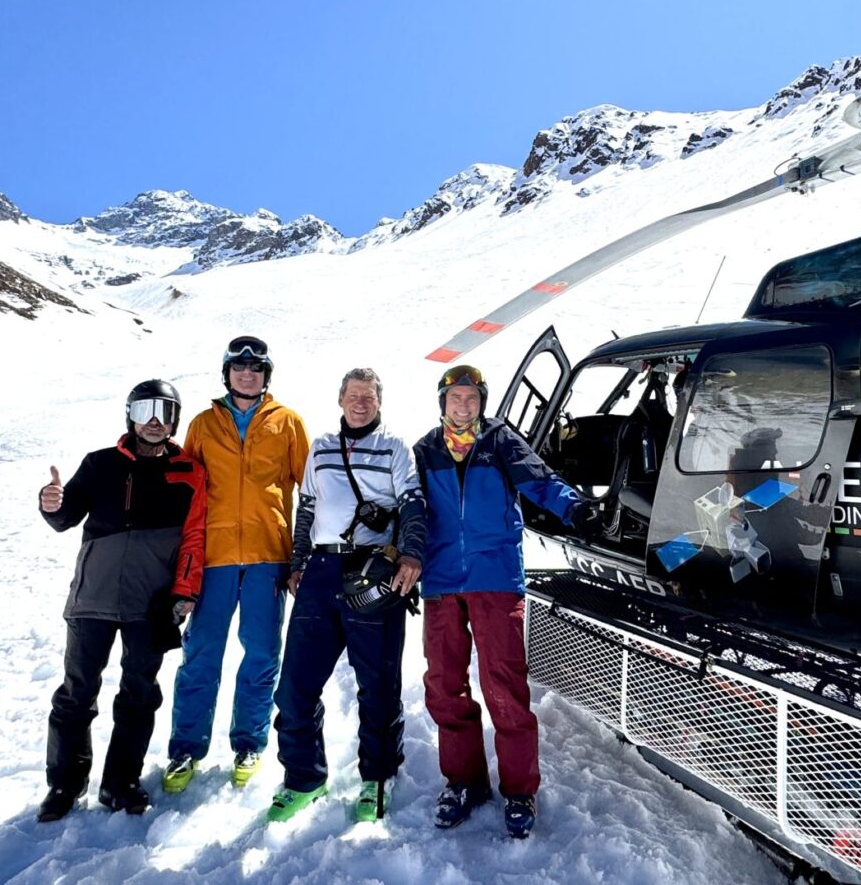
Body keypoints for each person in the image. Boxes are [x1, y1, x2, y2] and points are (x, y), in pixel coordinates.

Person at [413, 364, 600, 839]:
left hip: (494, 578)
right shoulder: (425, 451)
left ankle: (520, 789)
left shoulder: (499, 441)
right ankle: (464, 781)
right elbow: (407, 509)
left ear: (482, 402)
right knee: (443, 684)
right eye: (455, 397)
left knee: (504, 684)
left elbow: (541, 482)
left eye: (472, 398)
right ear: (442, 402)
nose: (464, 405)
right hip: (441, 582)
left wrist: (576, 508)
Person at [35, 380, 206, 822]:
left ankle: (120, 783)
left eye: (165, 411)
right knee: (77, 694)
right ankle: (65, 785)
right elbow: (64, 516)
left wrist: (185, 591)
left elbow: (194, 537)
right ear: (130, 413)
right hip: (92, 598)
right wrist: (51, 502)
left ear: (174, 419)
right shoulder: (100, 464)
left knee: (139, 694)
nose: (154, 419)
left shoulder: (189, 471)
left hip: (148, 603)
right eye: (146, 408)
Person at [267, 367, 428, 823]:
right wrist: (298, 562)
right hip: (320, 571)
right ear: (340, 400)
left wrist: (411, 556)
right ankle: (303, 778)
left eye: (369, 396)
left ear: (380, 401)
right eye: (353, 395)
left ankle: (377, 777)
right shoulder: (319, 448)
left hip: (374, 574)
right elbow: (308, 508)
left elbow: (414, 504)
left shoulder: (395, 449)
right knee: (296, 684)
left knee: (377, 685)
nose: (361, 402)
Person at [163, 336, 309, 793]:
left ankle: (249, 743)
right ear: (226, 373)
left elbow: (314, 491)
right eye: (239, 367)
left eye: (256, 367)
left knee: (263, 653)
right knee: (201, 654)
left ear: (267, 374)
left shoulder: (288, 423)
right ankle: (185, 748)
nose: (247, 374)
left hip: (269, 556)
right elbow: (183, 493)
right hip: (214, 559)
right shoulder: (204, 425)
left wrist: (304, 558)